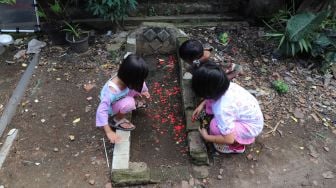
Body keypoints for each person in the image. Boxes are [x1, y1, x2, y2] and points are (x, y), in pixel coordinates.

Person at [191, 62, 263, 153]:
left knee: (214, 126)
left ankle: (237, 146)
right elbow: (211, 97)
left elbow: (229, 139)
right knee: (213, 109)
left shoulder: (222, 109)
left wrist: (207, 137)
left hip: (250, 127)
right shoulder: (225, 85)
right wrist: (202, 105)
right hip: (251, 117)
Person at [96, 54, 150, 143]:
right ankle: (117, 119)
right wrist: (109, 132)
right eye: (138, 80)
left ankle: (133, 99)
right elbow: (101, 111)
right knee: (129, 102)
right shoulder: (111, 92)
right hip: (112, 104)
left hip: (122, 94)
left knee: (141, 85)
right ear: (130, 78)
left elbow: (139, 83)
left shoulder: (125, 77)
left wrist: (144, 90)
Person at [179, 39, 243, 80]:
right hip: (219, 64)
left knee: (216, 80)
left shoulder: (208, 69)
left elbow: (221, 79)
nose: (184, 61)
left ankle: (237, 70)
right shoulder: (202, 52)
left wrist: (234, 73)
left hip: (221, 71)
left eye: (185, 60)